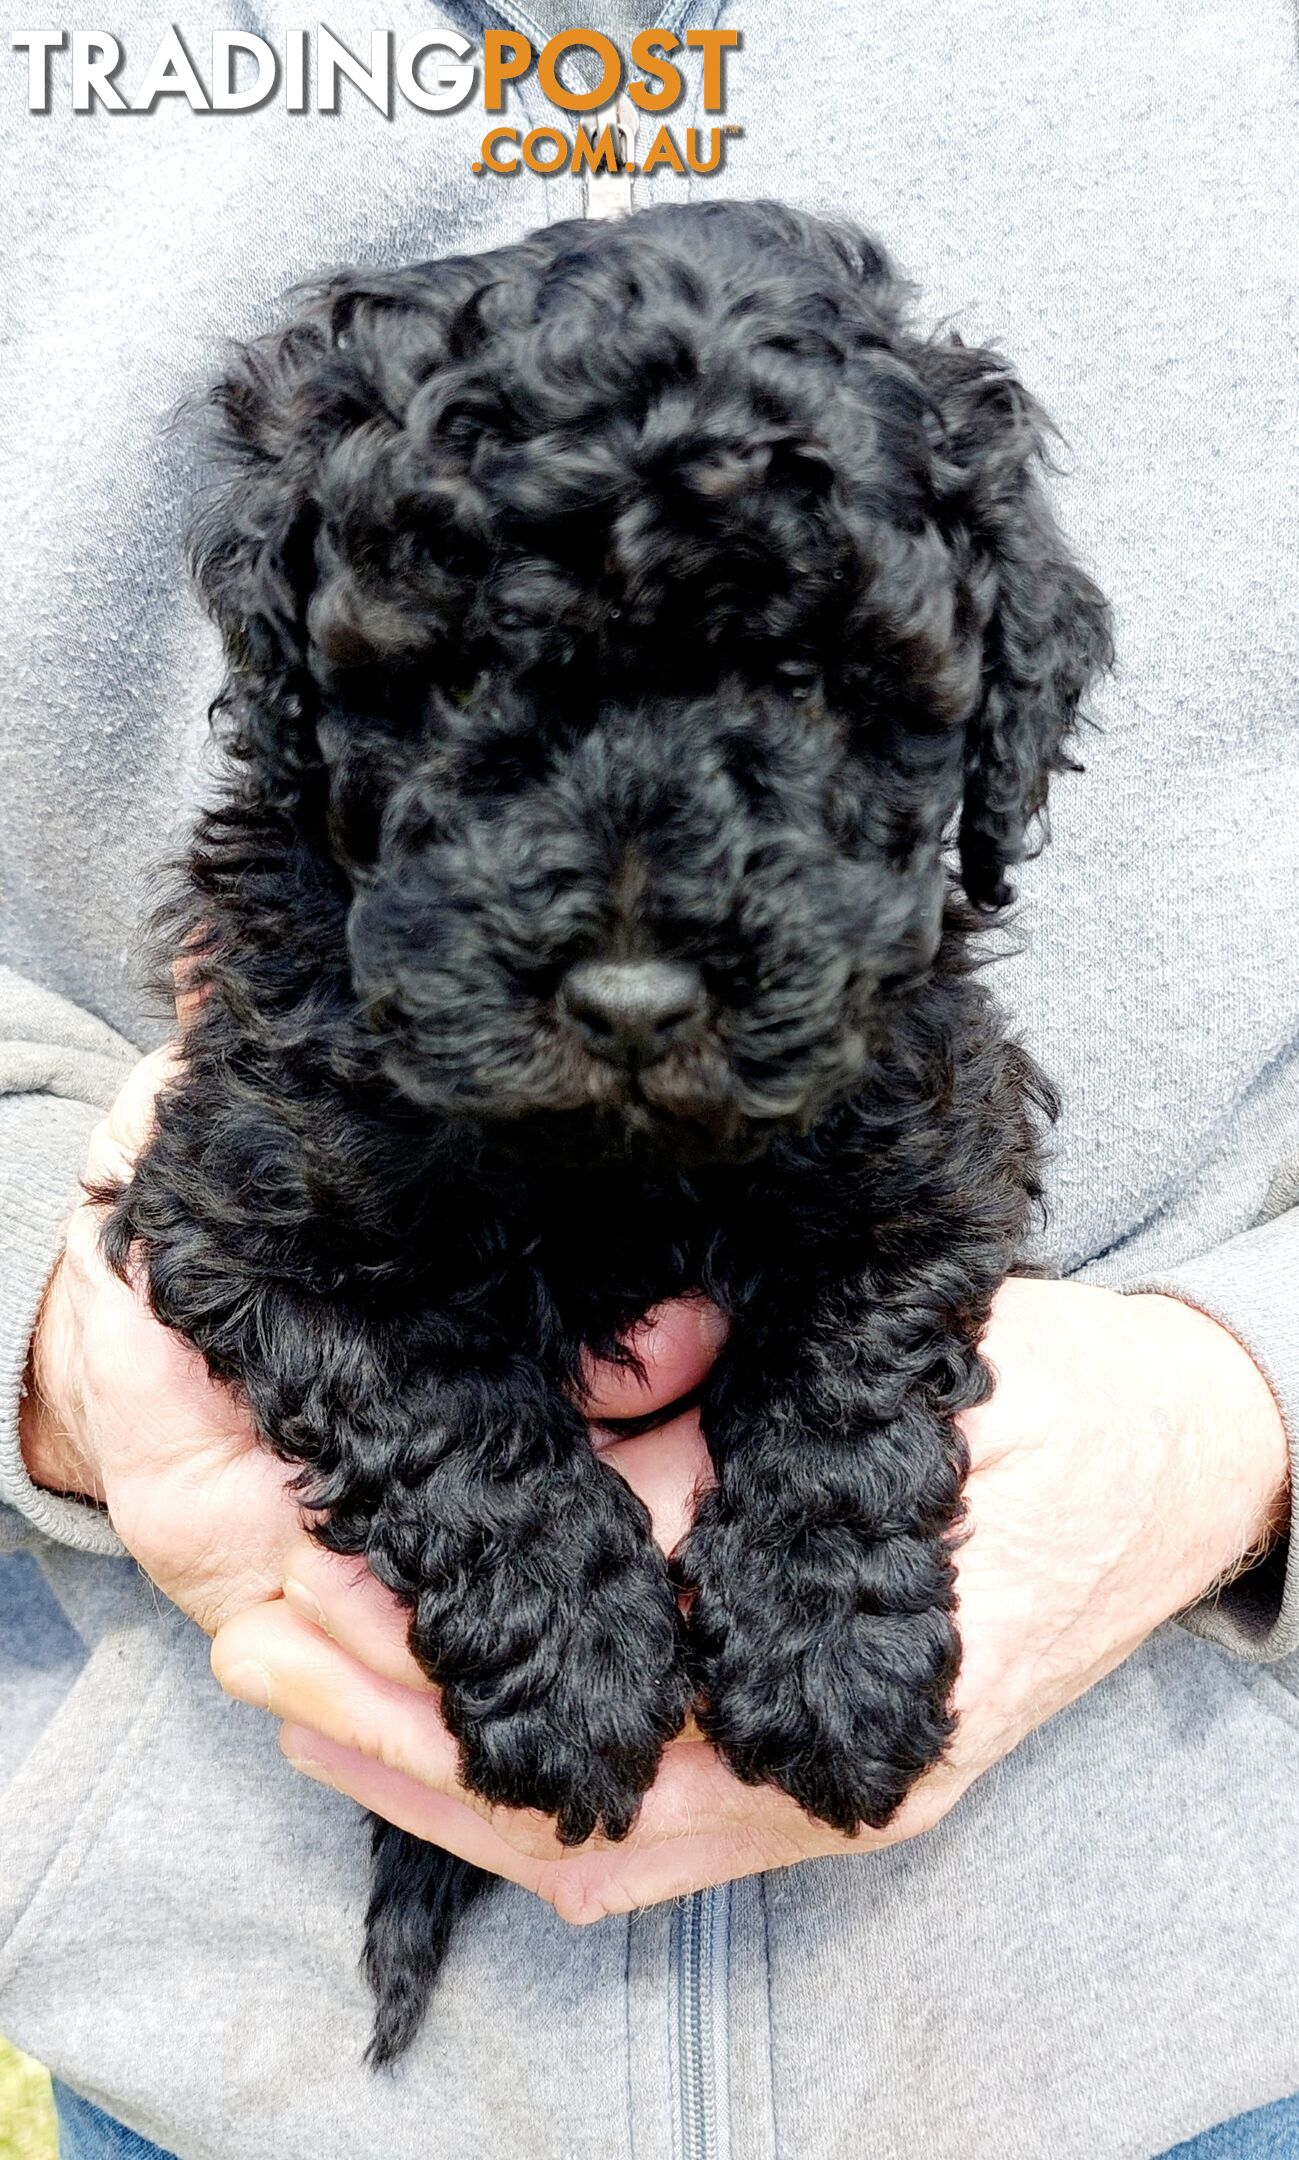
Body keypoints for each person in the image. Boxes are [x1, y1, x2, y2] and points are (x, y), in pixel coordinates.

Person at [2, 3, 1297, 2155]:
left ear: (989, 735)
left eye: (789, 702)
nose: (623, 943)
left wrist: (1229, 1406)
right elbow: (240, 1239)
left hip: (1177, 2020)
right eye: (473, 698)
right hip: (257, 2049)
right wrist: (61, 1329)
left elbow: (913, 1224)